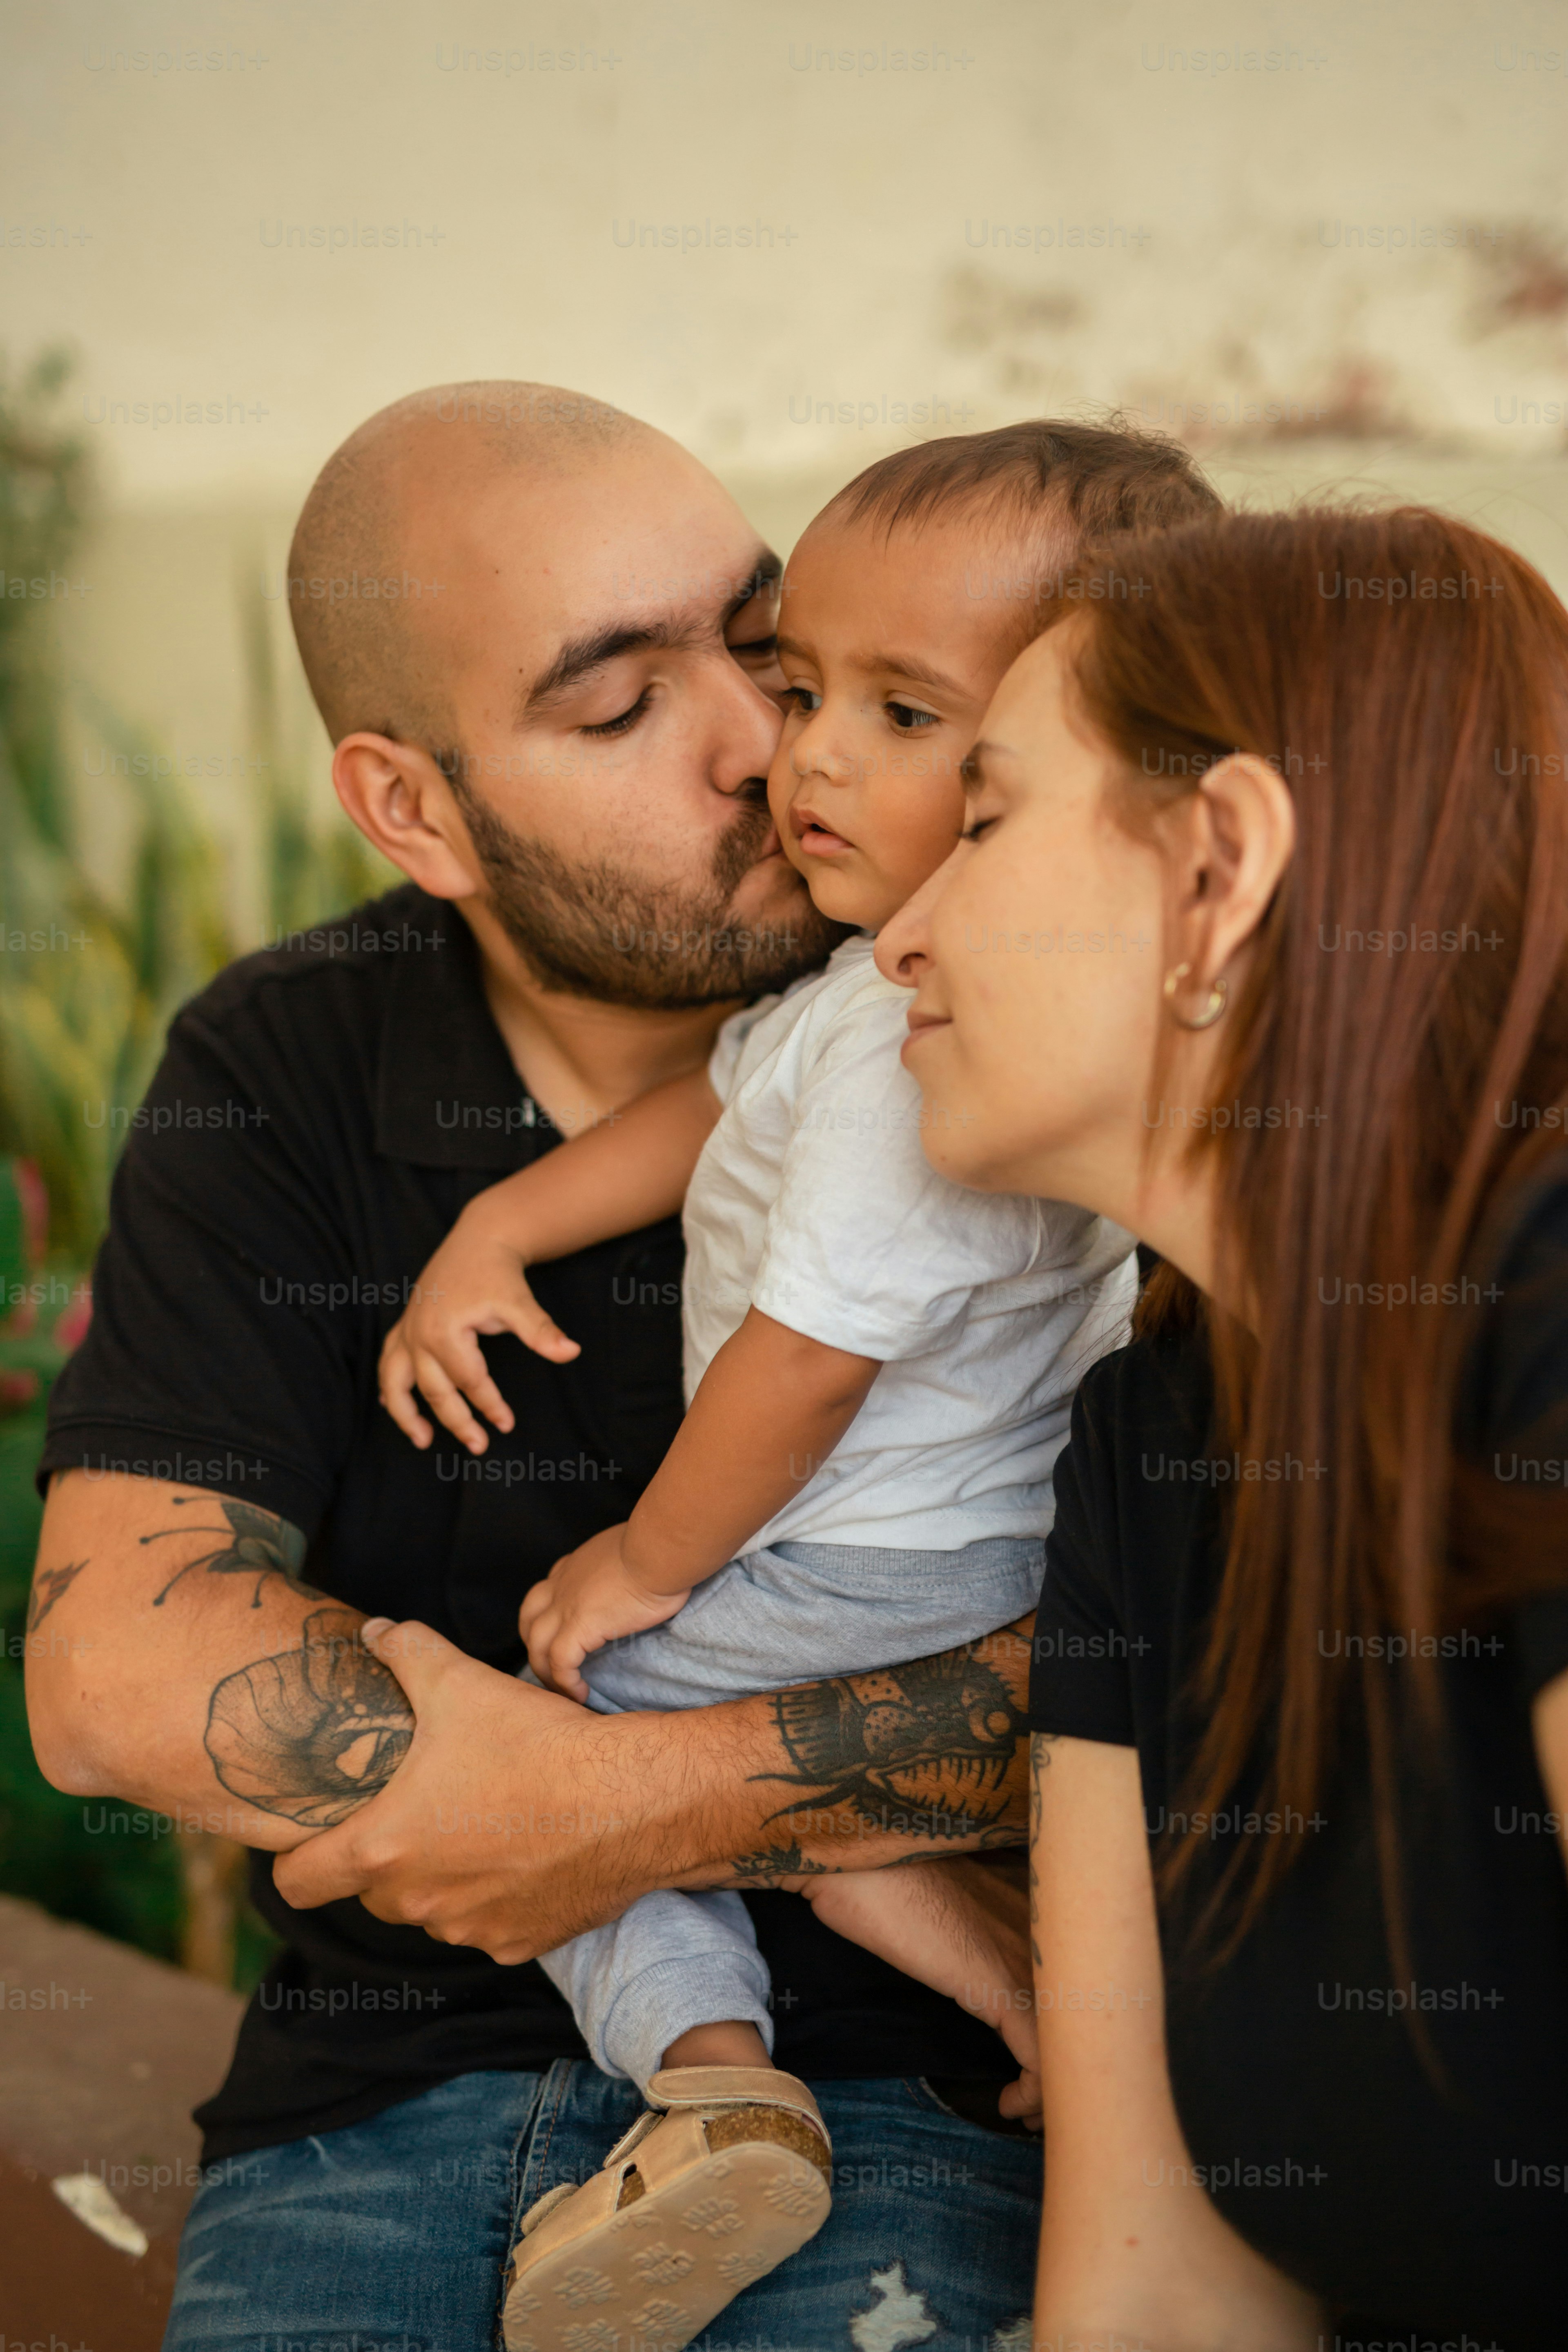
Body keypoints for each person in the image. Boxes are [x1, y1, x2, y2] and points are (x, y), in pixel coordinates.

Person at [21, 384, 1214, 2352]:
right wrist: (642, 1802)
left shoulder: (1018, 1028)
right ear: (414, 809)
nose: (770, 748)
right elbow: (117, 1667)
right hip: (378, 2101)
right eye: (619, 707)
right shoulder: (293, 1065)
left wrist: (616, 1802)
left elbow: (1191, 1659)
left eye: (769, 652)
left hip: (915, 2100)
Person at [374, 428, 1174, 2348]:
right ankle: (1011, 1981)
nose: (797, 755)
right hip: (916, 1558)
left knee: (535, 1750)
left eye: (904, 717)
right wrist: (504, 1219)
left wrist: (644, 1565)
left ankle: (716, 2082)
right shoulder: (863, 997)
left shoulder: (921, 1061)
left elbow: (803, 1372)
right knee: (694, 1762)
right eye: (802, 685)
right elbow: (703, 1109)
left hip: (877, 1555)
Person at [876, 501, 1568, 2349]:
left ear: (1219, 871)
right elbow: (1162, 2288)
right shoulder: (1154, 1442)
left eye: (988, 819)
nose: (900, 935)